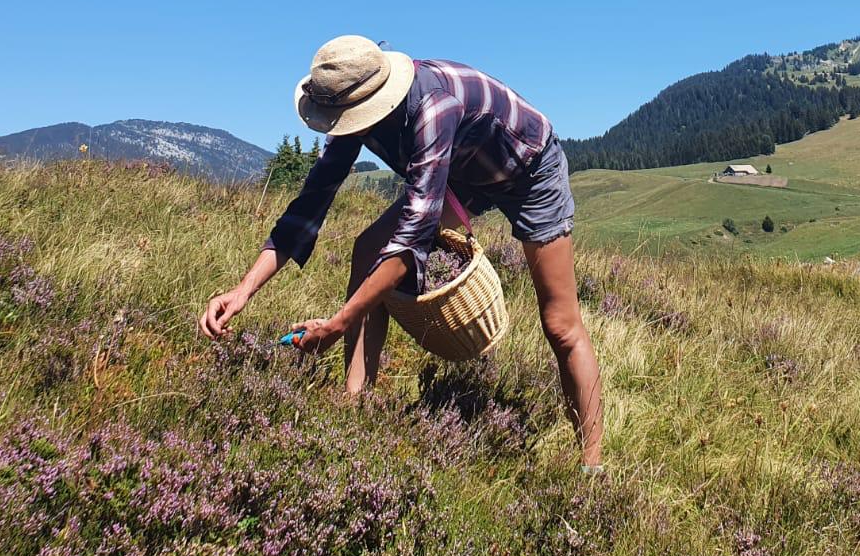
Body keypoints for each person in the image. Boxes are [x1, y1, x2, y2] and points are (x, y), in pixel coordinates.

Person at [199, 35, 602, 469]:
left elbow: (409, 243)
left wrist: (336, 324)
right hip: (461, 171)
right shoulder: (353, 114)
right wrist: (242, 291)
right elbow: (307, 208)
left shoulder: (433, 108)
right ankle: (355, 404)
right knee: (367, 248)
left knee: (560, 325)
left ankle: (591, 469)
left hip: (528, 169)